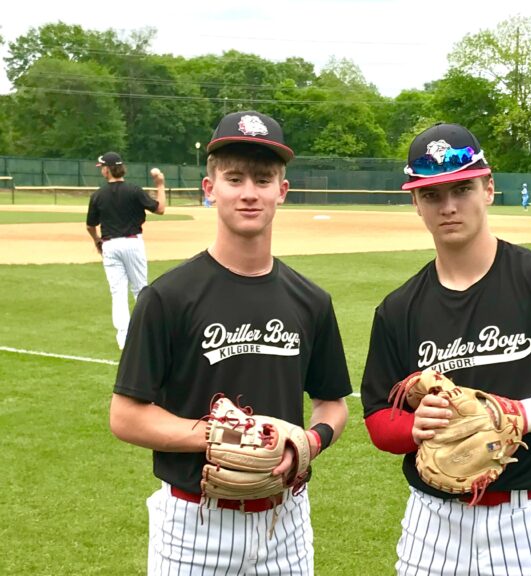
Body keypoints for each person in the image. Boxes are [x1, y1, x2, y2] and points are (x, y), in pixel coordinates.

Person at [361, 122, 531, 576]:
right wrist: (414, 427)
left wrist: (518, 416)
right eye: (431, 195)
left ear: (487, 189)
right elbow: (378, 419)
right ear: (416, 203)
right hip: (432, 526)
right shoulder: (398, 308)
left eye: (461, 188)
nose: (448, 206)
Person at [109, 110, 352, 575]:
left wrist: (308, 441)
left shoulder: (311, 301)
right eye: (234, 178)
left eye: (263, 179)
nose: (248, 193)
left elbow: (332, 405)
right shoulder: (168, 297)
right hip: (193, 524)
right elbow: (125, 416)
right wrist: (223, 436)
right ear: (210, 188)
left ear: (282, 191)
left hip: (285, 523)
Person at [86, 152, 166, 350]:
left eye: (102, 167)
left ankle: (123, 339)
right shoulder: (134, 190)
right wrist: (160, 184)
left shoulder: (98, 195)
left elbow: (90, 225)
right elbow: (160, 209)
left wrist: (97, 241)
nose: (102, 171)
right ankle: (146, 333)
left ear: (108, 169)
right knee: (140, 289)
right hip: (132, 243)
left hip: (110, 245)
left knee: (118, 293)